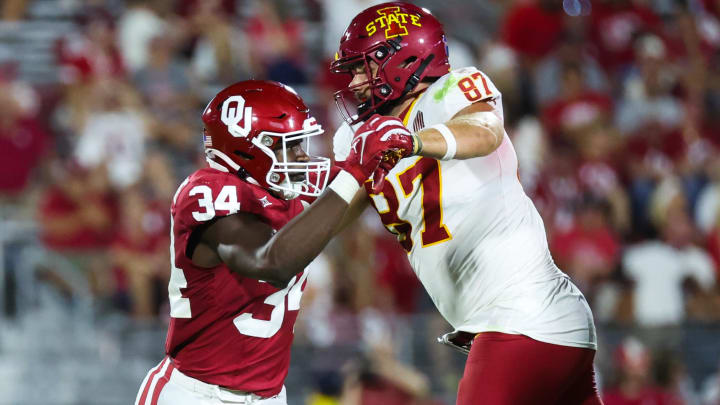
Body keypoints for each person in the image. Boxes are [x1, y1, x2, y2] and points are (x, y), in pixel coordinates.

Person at [330, 2, 601, 404]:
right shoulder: (358, 137)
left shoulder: (453, 88)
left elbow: (485, 130)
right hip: (527, 324)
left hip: (521, 315)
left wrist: (411, 141)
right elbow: (328, 216)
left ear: (401, 59)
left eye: (360, 68)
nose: (353, 83)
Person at [134, 80, 409, 405]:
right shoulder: (207, 191)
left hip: (269, 396)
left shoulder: (281, 191)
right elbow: (271, 262)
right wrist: (353, 173)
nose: (301, 156)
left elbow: (334, 216)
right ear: (247, 147)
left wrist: (377, 166)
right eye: (288, 145)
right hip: (195, 394)